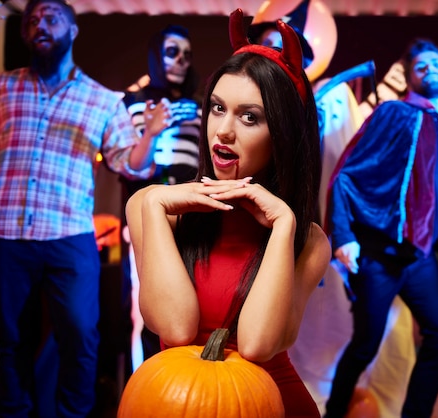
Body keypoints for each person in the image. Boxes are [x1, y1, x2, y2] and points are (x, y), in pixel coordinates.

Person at [125, 8, 331, 418]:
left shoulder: (309, 241)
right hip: (176, 400)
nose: (223, 131)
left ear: (283, 136)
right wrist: (155, 202)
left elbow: (255, 345)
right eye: (217, 108)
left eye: (249, 117)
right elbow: (176, 329)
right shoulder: (151, 208)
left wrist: (284, 225)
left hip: (268, 404)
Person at [0, 0, 159, 415]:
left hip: (68, 235)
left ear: (72, 31)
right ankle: (14, 412)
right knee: (12, 339)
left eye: (51, 17)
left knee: (80, 335)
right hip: (4, 232)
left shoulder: (103, 100)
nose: (40, 24)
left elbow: (130, 164)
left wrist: (151, 137)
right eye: (33, 19)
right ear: (24, 34)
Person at [324, 38, 438, 418]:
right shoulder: (394, 114)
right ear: (409, 79)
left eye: (437, 64)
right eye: (421, 67)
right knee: (365, 345)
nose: (431, 70)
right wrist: (344, 236)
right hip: (379, 255)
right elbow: (345, 175)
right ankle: (334, 414)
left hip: (419, 259)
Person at [120, 24, 201, 372]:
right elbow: (130, 166)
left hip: (191, 213)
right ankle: (150, 389)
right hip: (147, 213)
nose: (181, 60)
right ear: (156, 54)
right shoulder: (132, 103)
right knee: (150, 308)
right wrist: (151, 132)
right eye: (172, 51)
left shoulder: (199, 106)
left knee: (192, 302)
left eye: (187, 54)